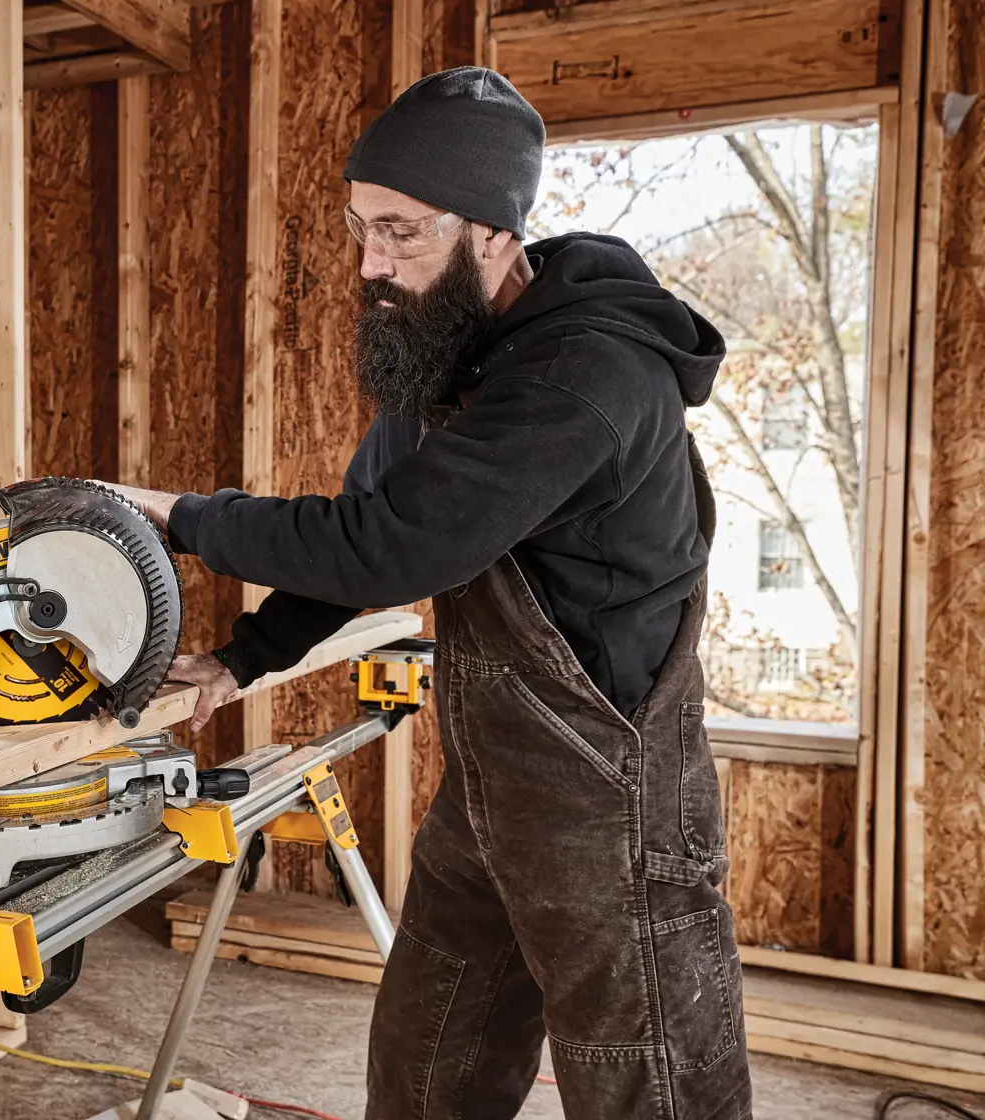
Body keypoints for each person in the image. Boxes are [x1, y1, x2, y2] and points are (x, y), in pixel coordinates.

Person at [104, 67, 753, 1119]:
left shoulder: (584, 379)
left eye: (401, 232)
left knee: (654, 1088)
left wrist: (175, 513)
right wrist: (248, 654)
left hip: (611, 806)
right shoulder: (449, 356)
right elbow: (364, 526)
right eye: (362, 229)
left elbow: (389, 548)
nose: (371, 264)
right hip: (491, 794)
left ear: (493, 231)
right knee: (426, 1065)